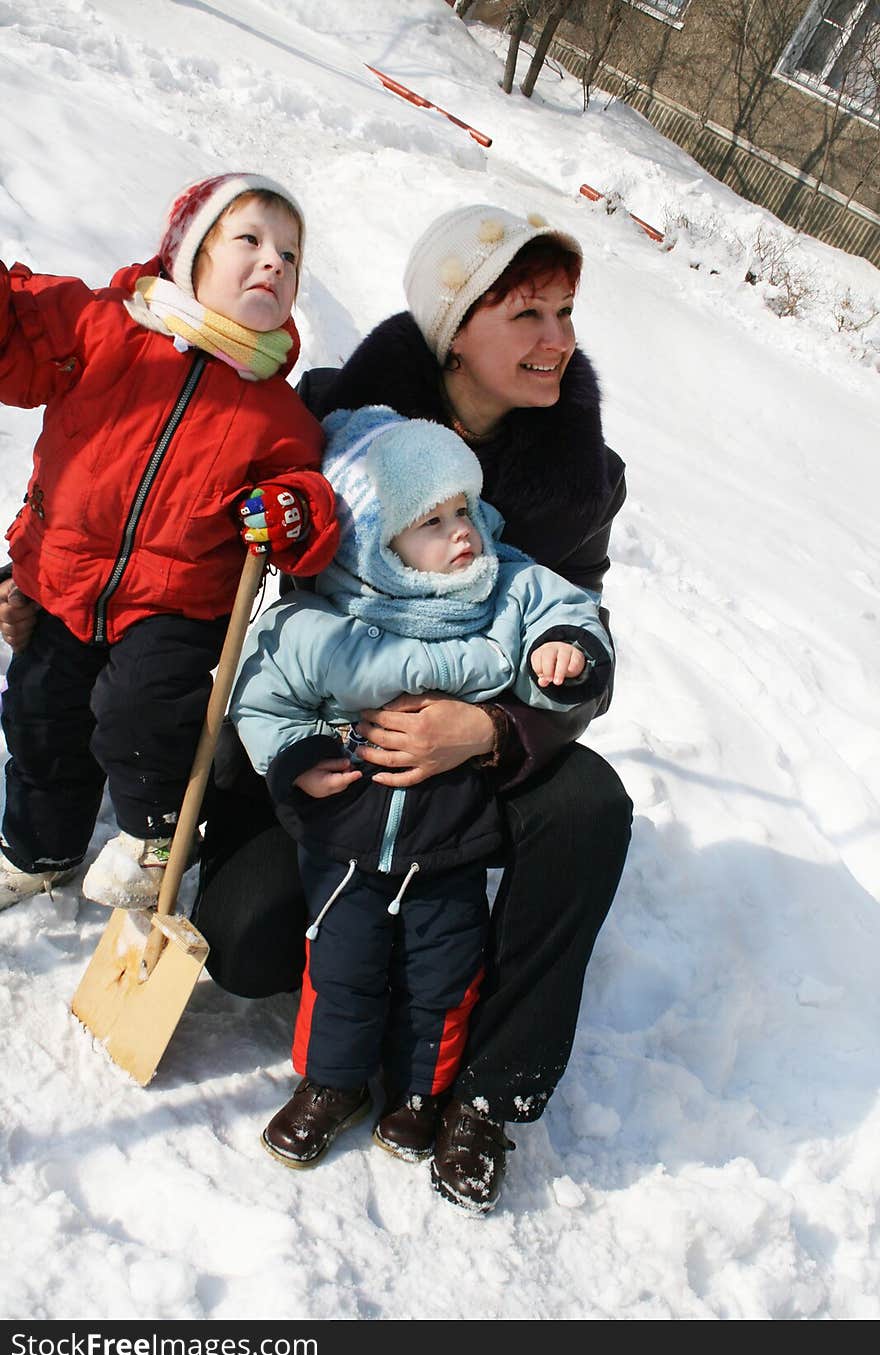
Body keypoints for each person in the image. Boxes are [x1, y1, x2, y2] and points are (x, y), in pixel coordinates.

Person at [192, 202, 633, 1214]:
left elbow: (574, 644)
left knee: (590, 806)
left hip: (473, 751)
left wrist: (492, 731)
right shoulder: (341, 414)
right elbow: (193, 523)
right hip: (340, 728)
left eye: (566, 311)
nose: (557, 339)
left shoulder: (570, 483)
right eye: (525, 313)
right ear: (453, 325)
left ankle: (487, 1089)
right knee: (245, 940)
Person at [229, 405, 614, 1195]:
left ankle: (422, 1091)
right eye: (430, 522)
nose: (461, 532)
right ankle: (330, 1083)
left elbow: (570, 613)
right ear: (377, 540)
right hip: (350, 839)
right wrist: (295, 757)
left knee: (446, 970)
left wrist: (561, 655)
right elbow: (260, 697)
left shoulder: (504, 590)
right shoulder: (323, 622)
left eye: (463, 508)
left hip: (452, 839)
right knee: (343, 966)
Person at [0, 172, 339, 913]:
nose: (274, 262)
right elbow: (16, 338)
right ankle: (41, 847)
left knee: (144, 713)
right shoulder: (101, 326)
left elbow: (308, 497)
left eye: (289, 254)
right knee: (38, 715)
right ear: (189, 252)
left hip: (178, 607)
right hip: (64, 577)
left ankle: (156, 837)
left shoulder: (274, 407)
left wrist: (289, 511)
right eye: (249, 239)